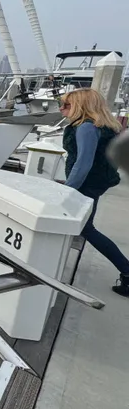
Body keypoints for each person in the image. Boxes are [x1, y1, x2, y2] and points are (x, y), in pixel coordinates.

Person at [61, 88, 129, 296]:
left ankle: (127, 270)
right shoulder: (104, 126)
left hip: (85, 186)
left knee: (86, 229)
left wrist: (66, 191)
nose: (62, 109)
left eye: (67, 105)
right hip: (95, 184)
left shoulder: (86, 128)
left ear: (81, 106)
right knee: (81, 227)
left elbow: (83, 163)